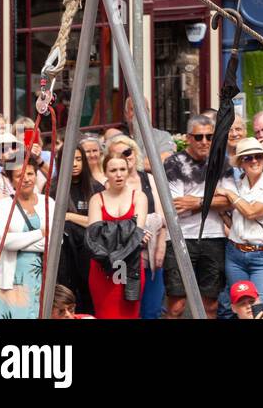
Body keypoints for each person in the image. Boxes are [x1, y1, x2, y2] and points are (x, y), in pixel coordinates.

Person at [161, 114, 232, 319]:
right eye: (199, 137)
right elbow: (177, 205)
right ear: (188, 138)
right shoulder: (174, 163)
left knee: (210, 305)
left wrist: (198, 202)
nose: (205, 142)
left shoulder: (222, 162)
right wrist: (213, 200)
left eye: (209, 137)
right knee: (176, 305)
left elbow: (230, 202)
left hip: (214, 237)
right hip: (180, 238)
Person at [218, 137, 263, 316]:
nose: (254, 160)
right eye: (248, 157)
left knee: (258, 312)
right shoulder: (238, 186)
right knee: (240, 311)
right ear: (240, 163)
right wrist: (224, 214)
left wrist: (231, 196)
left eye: (258, 156)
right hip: (235, 254)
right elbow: (240, 224)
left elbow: (252, 212)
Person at [102, 135, 166, 319]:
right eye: (118, 154)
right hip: (125, 256)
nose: (125, 157)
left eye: (128, 152)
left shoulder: (150, 179)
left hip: (152, 251)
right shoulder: (110, 185)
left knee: (152, 310)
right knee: (127, 308)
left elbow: (163, 217)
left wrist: (161, 246)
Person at [87, 152, 148, 319]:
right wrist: (130, 231)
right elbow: (94, 238)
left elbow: (138, 232)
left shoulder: (139, 197)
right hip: (103, 268)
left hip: (130, 268)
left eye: (123, 169)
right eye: (113, 170)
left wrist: (110, 231)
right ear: (105, 173)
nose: (119, 174)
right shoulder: (96, 199)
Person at [0, 164, 52, 319]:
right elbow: (5, 242)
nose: (26, 179)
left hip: (42, 278)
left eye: (30, 174)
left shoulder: (48, 202)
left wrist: (18, 242)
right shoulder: (2, 206)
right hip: (10, 280)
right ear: (11, 180)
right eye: (19, 176)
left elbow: (56, 242)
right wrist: (40, 233)